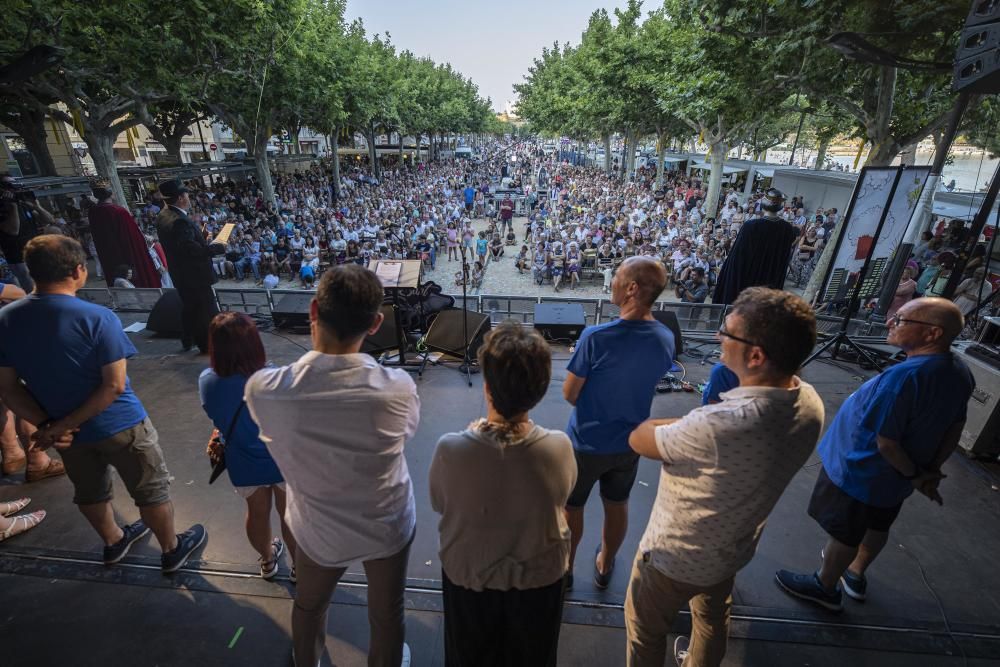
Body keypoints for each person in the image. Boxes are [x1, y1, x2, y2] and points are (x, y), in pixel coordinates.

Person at [627, 288, 824, 667]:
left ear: (756, 355)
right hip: (731, 549)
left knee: (645, 631)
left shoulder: (717, 424)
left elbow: (640, 437)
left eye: (727, 332)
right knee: (712, 620)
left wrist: (685, 422)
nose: (718, 337)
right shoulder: (810, 401)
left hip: (672, 557)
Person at [246, 264, 418, 667]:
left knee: (309, 606)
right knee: (387, 614)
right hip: (386, 521)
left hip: (317, 527)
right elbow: (405, 433)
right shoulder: (398, 388)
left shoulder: (264, 390)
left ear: (312, 310)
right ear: (376, 323)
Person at [0, 235, 206, 573]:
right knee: (151, 490)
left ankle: (113, 541)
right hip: (120, 424)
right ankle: (171, 549)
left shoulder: (6, 320)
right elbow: (112, 386)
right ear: (79, 270)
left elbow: (8, 389)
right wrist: (61, 426)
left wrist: (52, 427)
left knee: (89, 491)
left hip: (65, 434)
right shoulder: (98, 317)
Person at [776, 297, 973, 612]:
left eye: (902, 319)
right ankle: (855, 574)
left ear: (933, 333)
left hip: (862, 472)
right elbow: (956, 424)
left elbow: (887, 443)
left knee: (846, 533)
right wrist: (929, 471)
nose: (890, 321)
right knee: (878, 524)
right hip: (895, 479)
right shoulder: (959, 372)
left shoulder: (904, 378)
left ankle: (824, 586)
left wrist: (917, 475)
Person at [429, 322, 576, 666]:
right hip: (540, 580)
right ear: (539, 391)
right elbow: (563, 495)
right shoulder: (559, 447)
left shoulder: (451, 448)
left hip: (469, 577)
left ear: (487, 387)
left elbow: (439, 503)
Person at [563, 256, 675, 591]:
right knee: (617, 504)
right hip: (631, 443)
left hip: (586, 443)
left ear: (631, 288)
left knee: (572, 506)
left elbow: (570, 394)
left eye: (617, 277)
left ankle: (566, 569)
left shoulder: (596, 337)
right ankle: (605, 563)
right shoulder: (665, 337)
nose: (611, 281)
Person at [199, 312, 296, 579]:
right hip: (282, 459)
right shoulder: (275, 377)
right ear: (254, 343)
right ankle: (299, 567)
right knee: (290, 514)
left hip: (243, 461)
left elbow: (216, 415)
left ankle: (267, 561)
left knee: (256, 513)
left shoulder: (207, 381)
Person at [155, 179, 226, 353]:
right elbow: (189, 249)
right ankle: (207, 345)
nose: (189, 197)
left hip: (180, 273)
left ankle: (187, 339)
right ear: (180, 198)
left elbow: (180, 244)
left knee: (190, 307)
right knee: (205, 311)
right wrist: (215, 248)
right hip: (195, 275)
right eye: (187, 194)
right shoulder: (180, 221)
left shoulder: (163, 216)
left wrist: (199, 237)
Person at [713, 188, 799, 305]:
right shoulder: (787, 229)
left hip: (747, 282)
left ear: (763, 204)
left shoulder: (751, 226)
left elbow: (736, 258)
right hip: (769, 283)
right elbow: (783, 259)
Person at [88, 187, 161, 288]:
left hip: (108, 256)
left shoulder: (93, 212)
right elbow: (134, 237)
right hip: (126, 255)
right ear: (111, 194)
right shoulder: (118, 211)